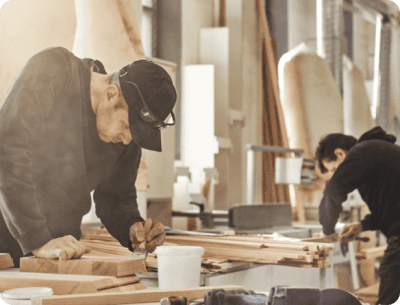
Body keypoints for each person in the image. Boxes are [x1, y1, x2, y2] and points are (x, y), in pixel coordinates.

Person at [0, 46, 177, 267]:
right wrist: (38, 240)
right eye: (124, 126)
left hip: (60, 253)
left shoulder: (126, 139)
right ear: (111, 94)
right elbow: (7, 147)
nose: (125, 140)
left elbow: (116, 198)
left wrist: (132, 228)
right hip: (6, 244)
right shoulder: (55, 70)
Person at [316, 126, 400, 305]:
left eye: (333, 168)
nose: (336, 173)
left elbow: (333, 191)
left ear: (339, 153)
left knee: (390, 288)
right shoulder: (379, 151)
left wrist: (328, 231)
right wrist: (362, 225)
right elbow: (391, 209)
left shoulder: (361, 152)